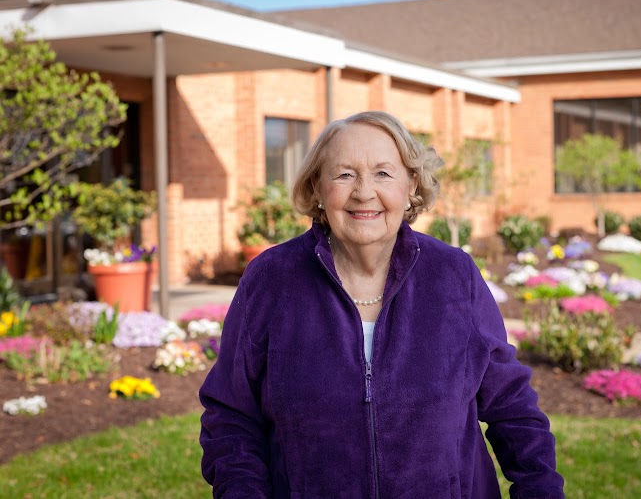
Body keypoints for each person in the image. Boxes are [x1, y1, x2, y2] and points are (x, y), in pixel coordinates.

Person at [199, 111, 565, 498]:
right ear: (317, 188)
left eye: (383, 174)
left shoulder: (454, 275)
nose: (363, 192)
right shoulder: (271, 279)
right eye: (344, 174)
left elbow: (512, 407)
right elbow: (232, 417)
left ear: (411, 185)